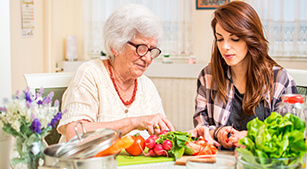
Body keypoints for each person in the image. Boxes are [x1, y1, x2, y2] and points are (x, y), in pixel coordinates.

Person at [57, 3, 175, 142]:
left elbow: (162, 138)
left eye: (152, 50)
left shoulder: (147, 86)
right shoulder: (90, 74)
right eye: (141, 48)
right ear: (115, 46)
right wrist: (133, 122)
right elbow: (74, 134)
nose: (148, 58)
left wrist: (190, 137)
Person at [192, 1, 298, 149]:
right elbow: (200, 126)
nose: (225, 47)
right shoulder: (208, 76)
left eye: (234, 39)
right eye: (220, 38)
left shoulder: (279, 80)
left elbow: (291, 135)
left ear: (251, 38)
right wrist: (217, 132)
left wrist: (253, 137)